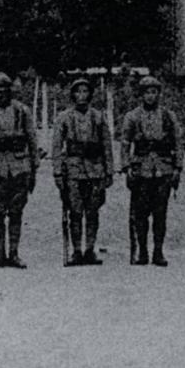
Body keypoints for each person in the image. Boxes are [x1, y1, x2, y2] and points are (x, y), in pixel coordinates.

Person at [0, 72, 39, 269]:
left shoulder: (22, 112)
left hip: (20, 168)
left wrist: (34, 168)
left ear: (10, 92)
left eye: (3, 92)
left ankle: (14, 253)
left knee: (16, 211)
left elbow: (32, 140)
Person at [119, 75, 179, 266]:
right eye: (147, 93)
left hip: (163, 169)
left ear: (158, 94)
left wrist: (178, 167)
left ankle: (158, 252)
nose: (151, 96)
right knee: (140, 213)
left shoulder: (169, 116)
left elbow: (178, 142)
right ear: (141, 95)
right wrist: (126, 166)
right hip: (141, 169)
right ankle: (142, 251)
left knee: (160, 213)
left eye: (154, 92)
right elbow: (125, 143)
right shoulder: (133, 116)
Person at [53, 76, 113, 266]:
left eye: (85, 91)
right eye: (78, 91)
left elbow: (107, 145)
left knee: (93, 211)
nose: (81, 95)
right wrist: (57, 172)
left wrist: (109, 171)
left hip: (95, 169)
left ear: (90, 95)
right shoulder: (64, 117)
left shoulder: (98, 117)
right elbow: (56, 146)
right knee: (75, 211)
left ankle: (90, 249)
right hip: (73, 169)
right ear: (72, 95)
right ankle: (76, 250)